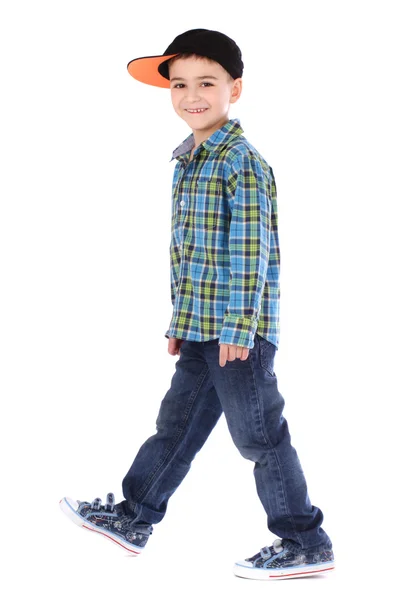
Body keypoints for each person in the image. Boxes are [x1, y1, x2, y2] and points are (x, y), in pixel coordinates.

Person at [60, 28, 335, 581]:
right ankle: (134, 515)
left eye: (206, 83)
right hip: (202, 327)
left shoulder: (240, 162)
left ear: (235, 88)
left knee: (259, 436)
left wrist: (237, 325)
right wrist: (181, 322)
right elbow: (191, 253)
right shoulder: (190, 159)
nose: (192, 95)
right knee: (177, 428)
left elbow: (248, 253)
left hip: (238, 334)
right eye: (180, 84)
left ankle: (305, 540)